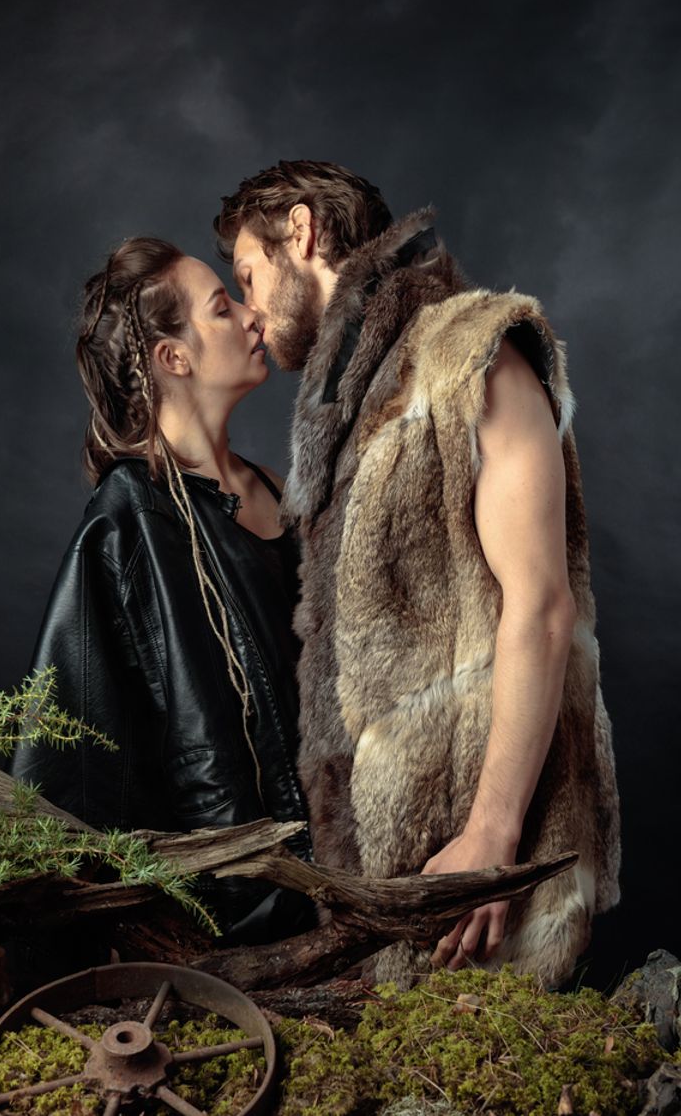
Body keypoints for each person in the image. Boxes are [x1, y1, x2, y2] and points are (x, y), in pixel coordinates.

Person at [213, 160, 620, 987]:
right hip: (393, 876)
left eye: (247, 275)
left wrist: (492, 842)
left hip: (489, 868)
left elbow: (541, 605)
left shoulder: (472, 352)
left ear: (302, 231)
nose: (249, 309)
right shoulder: (351, 408)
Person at [11, 235, 313, 940]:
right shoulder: (127, 524)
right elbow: (67, 768)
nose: (252, 316)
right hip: (245, 921)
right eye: (221, 307)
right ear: (173, 358)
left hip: (350, 882)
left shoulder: (281, 488)